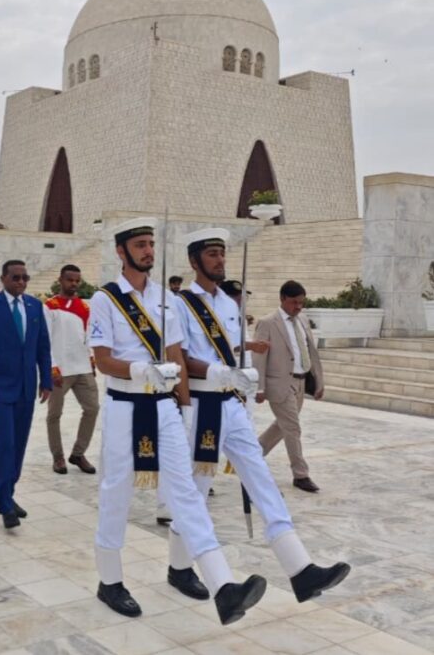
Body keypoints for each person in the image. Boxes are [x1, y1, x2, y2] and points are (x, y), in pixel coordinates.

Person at [89, 218, 265, 625]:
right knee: (117, 491)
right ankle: (109, 581)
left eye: (151, 243)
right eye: (140, 244)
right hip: (124, 404)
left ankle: (222, 586)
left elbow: (176, 358)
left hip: (164, 406)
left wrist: (185, 408)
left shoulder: (166, 300)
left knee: (185, 491)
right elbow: (102, 360)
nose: (148, 251)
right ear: (121, 251)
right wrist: (138, 370)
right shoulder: (106, 299)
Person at [174, 228, 349, 609]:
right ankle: (179, 567)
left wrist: (243, 369)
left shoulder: (228, 304)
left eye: (222, 253)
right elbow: (180, 357)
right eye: (212, 254)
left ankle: (300, 568)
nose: (220, 259)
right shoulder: (181, 304)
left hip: (232, 403)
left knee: (261, 478)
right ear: (194, 261)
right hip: (203, 405)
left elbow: (232, 347)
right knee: (197, 491)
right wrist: (216, 374)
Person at [0, 260, 52, 529]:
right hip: (0, 390)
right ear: (3, 278)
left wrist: (46, 380)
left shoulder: (35, 306)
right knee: (5, 444)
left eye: (25, 278)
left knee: (19, 445)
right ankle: (4, 505)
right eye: (16, 277)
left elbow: (43, 347)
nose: (21, 282)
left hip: (26, 388)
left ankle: (8, 491)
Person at [254, 280, 325, 493]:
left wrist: (318, 381)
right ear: (282, 299)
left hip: (301, 381)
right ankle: (300, 474)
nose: (298, 307)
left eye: (302, 303)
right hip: (280, 384)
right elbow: (259, 356)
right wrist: (259, 387)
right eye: (294, 302)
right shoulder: (268, 323)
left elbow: (311, 351)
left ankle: (253, 453)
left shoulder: (302, 320)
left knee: (283, 425)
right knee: (292, 427)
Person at [44, 264, 99, 475]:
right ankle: (58, 457)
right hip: (59, 369)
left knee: (92, 408)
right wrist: (51, 367)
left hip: (82, 367)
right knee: (54, 414)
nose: (74, 284)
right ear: (60, 280)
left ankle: (78, 453)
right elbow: (45, 340)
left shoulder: (84, 307)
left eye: (77, 280)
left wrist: (91, 359)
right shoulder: (50, 306)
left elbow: (88, 336)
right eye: (70, 280)